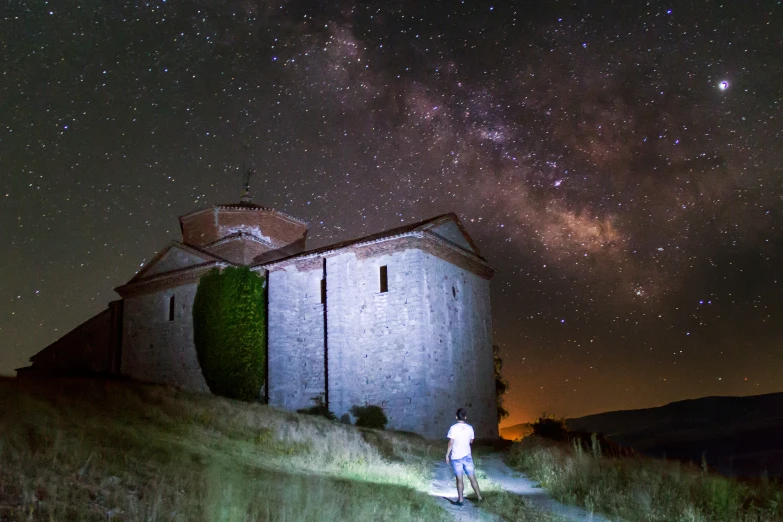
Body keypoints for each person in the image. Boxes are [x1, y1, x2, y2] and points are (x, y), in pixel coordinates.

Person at [445, 408, 482, 506]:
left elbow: (450, 443)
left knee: (459, 479)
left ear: (456, 417)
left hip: (456, 457)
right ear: (465, 417)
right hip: (467, 456)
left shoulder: (453, 428)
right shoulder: (470, 428)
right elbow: (471, 441)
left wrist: (447, 455)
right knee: (472, 477)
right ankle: (479, 497)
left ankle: (460, 500)